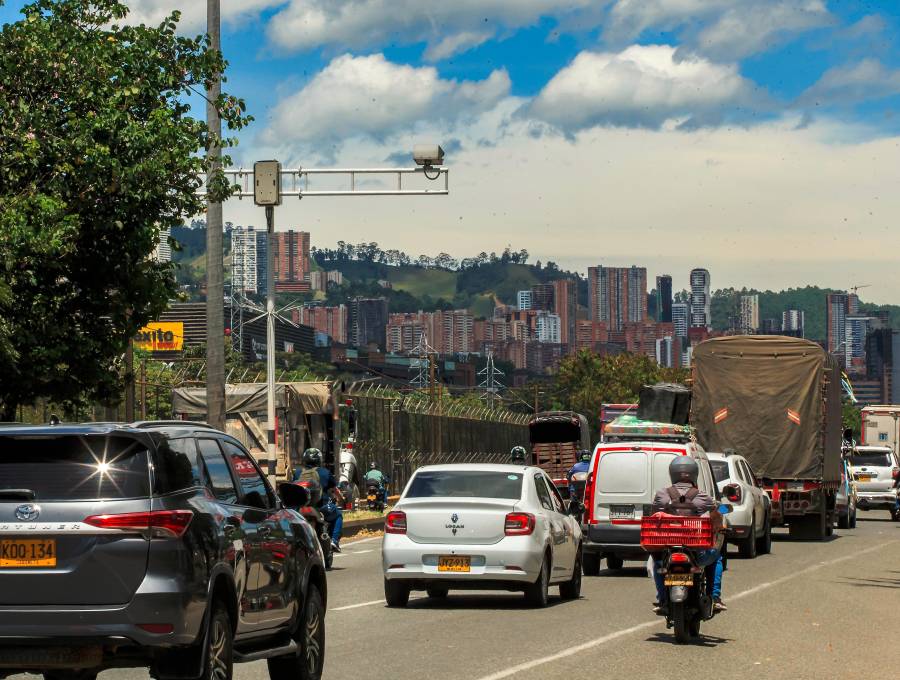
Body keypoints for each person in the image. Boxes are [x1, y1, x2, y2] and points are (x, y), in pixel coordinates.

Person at [650, 456, 726, 615]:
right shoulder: (703, 496)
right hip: (696, 551)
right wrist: (719, 526)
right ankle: (715, 598)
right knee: (716, 558)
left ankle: (663, 599)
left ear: (673, 473)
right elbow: (716, 516)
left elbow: (653, 516)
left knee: (657, 563)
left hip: (668, 548)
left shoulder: (661, 495)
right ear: (694, 474)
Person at [296, 448, 343, 553]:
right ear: (319, 460)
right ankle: (334, 541)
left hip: (300, 508)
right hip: (321, 508)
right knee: (338, 515)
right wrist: (341, 499)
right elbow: (335, 490)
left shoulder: (298, 472)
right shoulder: (325, 472)